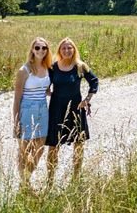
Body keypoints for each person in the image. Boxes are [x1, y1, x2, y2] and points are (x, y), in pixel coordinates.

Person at [46, 37, 99, 183]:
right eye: (64, 48)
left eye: (70, 48)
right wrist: (47, 91)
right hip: (56, 109)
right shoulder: (53, 67)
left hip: (76, 109)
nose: (67, 50)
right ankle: (50, 180)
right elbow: (45, 82)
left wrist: (87, 100)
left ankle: (76, 179)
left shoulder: (80, 66)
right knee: (53, 145)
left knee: (79, 143)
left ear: (74, 49)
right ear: (59, 51)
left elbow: (94, 81)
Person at [12, 37, 52, 190]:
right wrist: (16, 121)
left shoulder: (48, 68)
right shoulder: (24, 70)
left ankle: (28, 176)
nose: (41, 50)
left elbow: (45, 89)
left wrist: (55, 94)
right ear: (32, 50)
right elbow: (17, 98)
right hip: (27, 110)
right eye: (37, 48)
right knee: (25, 149)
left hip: (43, 109)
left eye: (44, 48)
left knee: (40, 147)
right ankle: (25, 184)